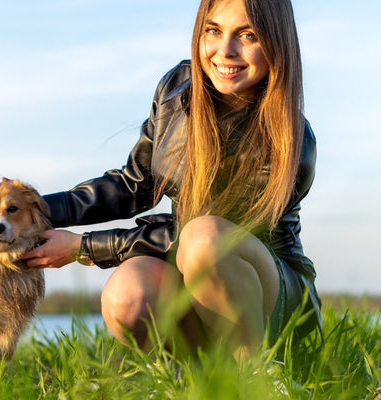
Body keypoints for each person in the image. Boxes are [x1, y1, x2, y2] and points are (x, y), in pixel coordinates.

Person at [22, 0, 321, 356]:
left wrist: (82, 247)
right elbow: (134, 184)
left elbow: (196, 237)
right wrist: (29, 210)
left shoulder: (292, 142)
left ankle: (256, 376)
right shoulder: (178, 87)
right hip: (193, 269)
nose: (225, 51)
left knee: (204, 239)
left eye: (247, 35)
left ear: (276, 42)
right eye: (214, 30)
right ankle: (190, 377)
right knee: (127, 293)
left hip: (273, 302)